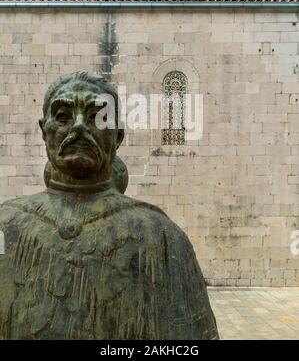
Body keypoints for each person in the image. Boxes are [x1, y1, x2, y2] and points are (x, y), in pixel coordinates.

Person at [0, 71, 218, 340]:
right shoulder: (5, 222)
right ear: (45, 132)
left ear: (117, 137)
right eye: (63, 115)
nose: (79, 126)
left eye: (97, 116)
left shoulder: (163, 237)